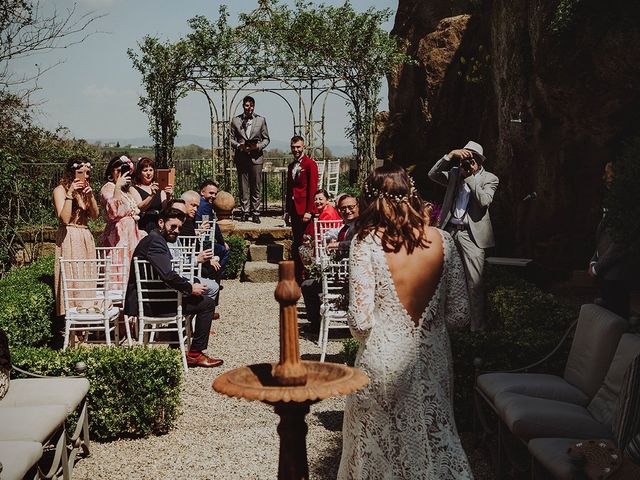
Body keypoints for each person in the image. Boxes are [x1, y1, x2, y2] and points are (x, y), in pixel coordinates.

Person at [338, 164, 473, 479]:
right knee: (435, 445)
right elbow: (459, 317)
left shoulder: (365, 243)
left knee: (378, 455)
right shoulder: (444, 241)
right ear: (411, 194)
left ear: (370, 199)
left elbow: (361, 322)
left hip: (382, 363)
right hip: (434, 360)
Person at [124, 208, 223, 368]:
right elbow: (168, 275)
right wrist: (190, 288)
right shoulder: (156, 242)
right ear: (161, 222)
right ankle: (195, 354)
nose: (176, 231)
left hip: (155, 298)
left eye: (179, 228)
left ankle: (176, 347)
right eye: (173, 226)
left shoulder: (155, 239)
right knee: (207, 304)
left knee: (190, 299)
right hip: (152, 304)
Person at [428, 140, 498, 331]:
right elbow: (432, 174)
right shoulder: (454, 174)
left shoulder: (490, 178)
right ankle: (447, 326)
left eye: (471, 159)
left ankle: (476, 328)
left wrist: (471, 177)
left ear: (479, 162)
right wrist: (449, 156)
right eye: (464, 159)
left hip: (471, 236)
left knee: (474, 283)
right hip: (450, 230)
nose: (466, 164)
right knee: (443, 279)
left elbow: (484, 201)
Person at [301, 193, 359, 334]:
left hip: (348, 277)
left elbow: (357, 243)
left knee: (307, 285)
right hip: (341, 271)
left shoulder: (360, 226)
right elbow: (337, 231)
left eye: (351, 207)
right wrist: (328, 237)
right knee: (310, 281)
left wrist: (338, 245)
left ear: (358, 207)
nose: (347, 211)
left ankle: (315, 325)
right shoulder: (347, 226)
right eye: (343, 208)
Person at [53, 156, 99, 316]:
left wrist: (91, 196)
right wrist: (70, 194)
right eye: (81, 172)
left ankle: (87, 317)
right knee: (73, 278)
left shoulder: (86, 191)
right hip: (69, 236)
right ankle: (73, 320)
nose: (85, 176)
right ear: (71, 173)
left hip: (85, 235)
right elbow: (64, 219)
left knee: (86, 278)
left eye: (87, 172)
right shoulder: (60, 190)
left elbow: (95, 215)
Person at [588, 161, 632, 318]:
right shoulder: (612, 201)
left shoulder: (625, 205)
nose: (605, 177)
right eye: (606, 174)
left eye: (610, 175)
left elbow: (619, 245)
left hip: (616, 275)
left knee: (617, 321)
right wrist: (593, 261)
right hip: (606, 274)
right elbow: (604, 239)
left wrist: (596, 268)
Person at [230, 95, 270, 223]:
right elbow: (230, 139)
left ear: (254, 106)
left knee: (256, 186)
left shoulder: (261, 120)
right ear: (243, 106)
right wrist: (239, 146)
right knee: (243, 186)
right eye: (247, 106)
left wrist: (257, 146)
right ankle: (244, 211)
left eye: (251, 105)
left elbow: (266, 139)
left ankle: (256, 212)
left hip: (256, 157)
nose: (249, 108)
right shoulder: (235, 120)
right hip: (241, 156)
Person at [284, 135, 319, 283]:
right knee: (298, 241)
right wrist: (286, 210)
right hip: (293, 209)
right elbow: (289, 189)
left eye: (298, 147)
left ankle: (307, 272)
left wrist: (309, 210)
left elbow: (312, 188)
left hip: (304, 209)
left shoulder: (310, 164)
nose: (296, 150)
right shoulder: (291, 166)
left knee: (306, 241)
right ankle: (298, 273)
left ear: (304, 147)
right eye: (293, 147)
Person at [99, 155, 146, 264]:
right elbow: (113, 211)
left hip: (131, 233)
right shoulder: (109, 187)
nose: (121, 174)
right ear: (111, 172)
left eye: (125, 171)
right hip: (118, 234)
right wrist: (118, 187)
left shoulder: (126, 191)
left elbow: (139, 204)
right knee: (119, 264)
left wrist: (127, 186)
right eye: (118, 170)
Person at [181, 190, 229, 281]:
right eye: (193, 205)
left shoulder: (187, 220)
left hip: (193, 254)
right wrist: (209, 259)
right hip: (190, 259)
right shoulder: (184, 221)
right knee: (219, 258)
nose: (195, 209)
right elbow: (191, 242)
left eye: (196, 206)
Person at [133, 157, 173, 233]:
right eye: (145, 170)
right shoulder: (134, 188)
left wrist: (168, 197)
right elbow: (140, 208)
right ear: (139, 173)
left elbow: (165, 209)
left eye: (151, 170)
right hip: (143, 224)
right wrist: (152, 195)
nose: (148, 173)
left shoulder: (160, 189)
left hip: (157, 224)